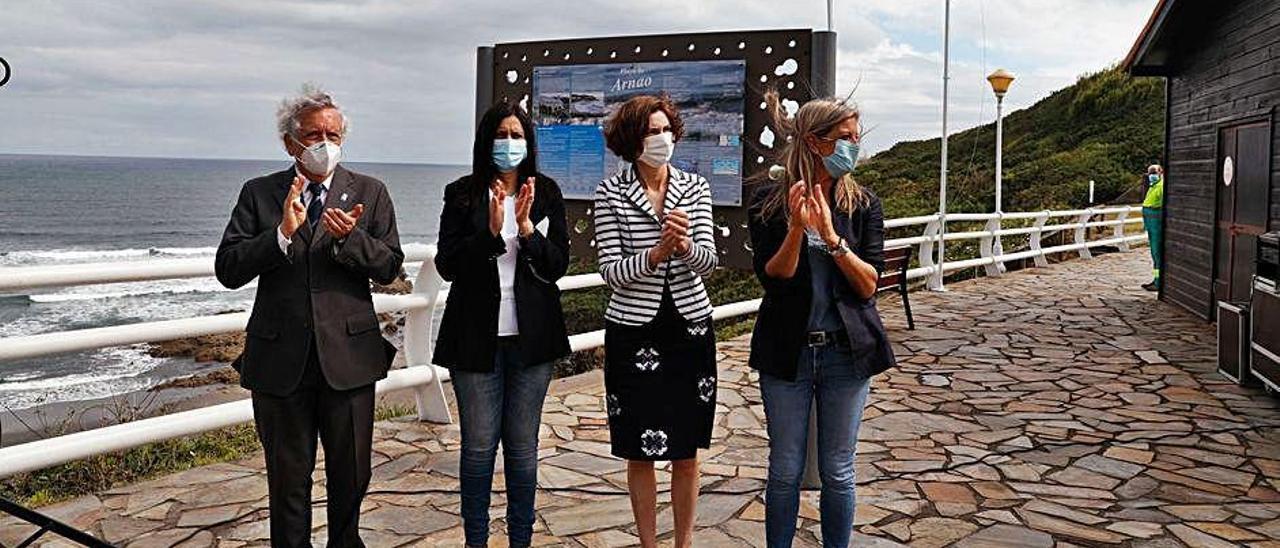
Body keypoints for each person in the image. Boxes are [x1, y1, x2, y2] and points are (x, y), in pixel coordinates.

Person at [215, 84, 403, 547]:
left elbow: (390, 266)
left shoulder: (370, 192)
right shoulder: (259, 194)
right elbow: (228, 269)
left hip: (350, 358)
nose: (326, 144)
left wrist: (348, 240)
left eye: (334, 135)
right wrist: (280, 234)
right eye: (315, 134)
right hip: (281, 363)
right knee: (287, 482)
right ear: (290, 142)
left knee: (351, 476)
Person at [746, 91, 895, 548]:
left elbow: (869, 284)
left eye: (855, 136)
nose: (853, 145)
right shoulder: (769, 201)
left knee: (838, 469)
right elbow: (774, 277)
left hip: (845, 354)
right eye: (844, 137)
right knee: (785, 468)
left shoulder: (863, 204)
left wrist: (830, 237)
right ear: (814, 142)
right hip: (786, 350)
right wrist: (795, 229)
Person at [432, 100, 571, 548]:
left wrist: (527, 229)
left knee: (523, 450)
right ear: (485, 139)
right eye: (501, 134)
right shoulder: (461, 193)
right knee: (477, 449)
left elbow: (557, 266)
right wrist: (490, 234)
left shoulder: (546, 192)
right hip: (475, 340)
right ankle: (476, 541)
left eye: (517, 135)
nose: (508, 143)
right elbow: (448, 264)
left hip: (532, 341)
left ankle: (520, 541)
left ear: (528, 143)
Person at [593, 94, 718, 548]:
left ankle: (683, 542)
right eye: (651, 131)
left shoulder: (696, 188)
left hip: (689, 328)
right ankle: (649, 543)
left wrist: (684, 247)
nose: (661, 138)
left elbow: (709, 263)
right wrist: (657, 253)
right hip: (633, 330)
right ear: (631, 139)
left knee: (686, 448)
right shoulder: (610, 193)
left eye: (666, 129)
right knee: (638, 448)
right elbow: (611, 272)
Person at [1141, 164, 1164, 292]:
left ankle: (1158, 281)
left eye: (1154, 172)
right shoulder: (1153, 186)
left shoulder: (1161, 187)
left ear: (1161, 172)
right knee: (1154, 254)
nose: (1152, 175)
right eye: (1150, 172)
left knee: (1157, 253)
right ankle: (1156, 279)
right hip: (1151, 222)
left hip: (1156, 222)